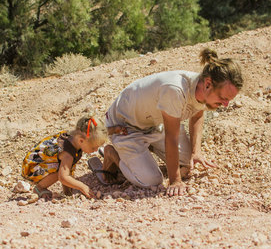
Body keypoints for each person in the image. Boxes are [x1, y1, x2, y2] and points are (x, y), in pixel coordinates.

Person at [101, 48, 244, 196]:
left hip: (153, 123)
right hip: (124, 126)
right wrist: (175, 180)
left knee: (187, 164)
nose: (226, 104)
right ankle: (113, 154)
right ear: (208, 84)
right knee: (150, 181)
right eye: (224, 98)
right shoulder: (175, 90)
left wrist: (196, 152)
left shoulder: (202, 88)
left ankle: (145, 150)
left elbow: (197, 115)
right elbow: (171, 138)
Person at [21, 116, 107, 199]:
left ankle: (67, 192)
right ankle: (39, 188)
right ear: (81, 140)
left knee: (64, 169)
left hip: (39, 164)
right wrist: (82, 187)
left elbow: (67, 168)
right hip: (32, 168)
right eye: (93, 147)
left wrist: (67, 192)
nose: (96, 150)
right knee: (61, 172)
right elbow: (63, 177)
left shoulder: (72, 140)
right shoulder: (67, 152)